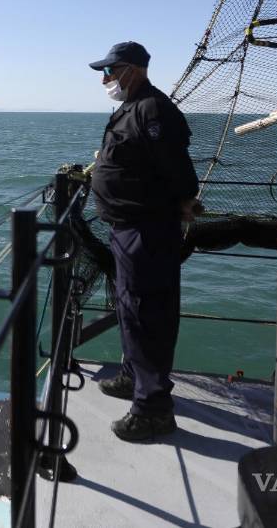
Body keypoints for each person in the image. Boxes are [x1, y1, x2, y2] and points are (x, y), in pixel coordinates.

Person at [88, 41, 200, 442]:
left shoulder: (152, 109)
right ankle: (134, 375)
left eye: (110, 71)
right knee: (130, 307)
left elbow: (178, 169)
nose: (105, 80)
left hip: (146, 230)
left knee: (146, 313)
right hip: (129, 229)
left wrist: (184, 201)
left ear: (131, 70)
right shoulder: (132, 108)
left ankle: (153, 409)